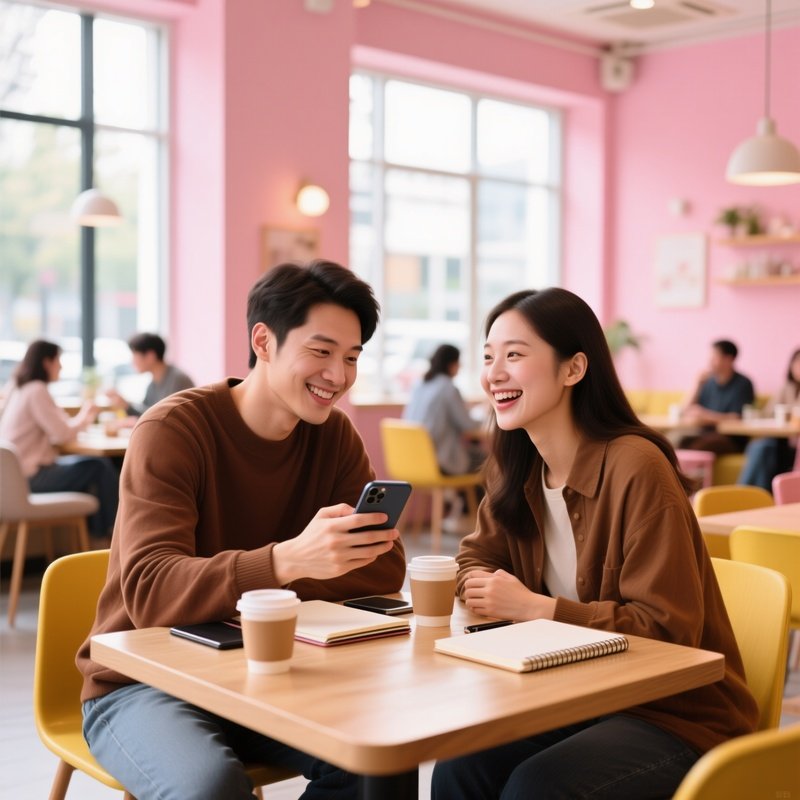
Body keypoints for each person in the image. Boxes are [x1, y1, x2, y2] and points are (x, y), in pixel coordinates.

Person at [76, 260, 406, 799]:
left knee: (380, 759)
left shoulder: (334, 436)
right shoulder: (173, 430)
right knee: (209, 786)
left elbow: (382, 568)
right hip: (143, 684)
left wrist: (259, 583)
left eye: (351, 358)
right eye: (321, 352)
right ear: (264, 341)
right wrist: (285, 563)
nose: (339, 376)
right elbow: (151, 593)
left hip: (269, 673)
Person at [430, 288, 757, 800]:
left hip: (678, 715)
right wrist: (481, 584)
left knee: (538, 787)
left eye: (514, 354)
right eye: (489, 356)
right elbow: (476, 557)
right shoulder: (516, 465)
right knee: (457, 767)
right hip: (576, 695)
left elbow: (668, 631)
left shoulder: (636, 467)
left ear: (573, 369)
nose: (493, 373)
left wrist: (536, 608)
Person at [0, 340, 119, 541]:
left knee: (92, 468)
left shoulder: (17, 388)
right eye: (59, 360)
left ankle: (102, 535)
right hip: (32, 477)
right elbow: (63, 434)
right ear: (47, 362)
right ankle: (112, 535)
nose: (61, 366)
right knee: (99, 467)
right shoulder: (37, 390)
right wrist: (86, 414)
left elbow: (57, 428)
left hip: (13, 481)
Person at [403, 343, 485, 475]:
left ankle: (453, 495)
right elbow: (468, 426)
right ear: (452, 364)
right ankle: (460, 495)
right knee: (486, 460)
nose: (460, 366)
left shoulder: (419, 385)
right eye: (459, 363)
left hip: (412, 460)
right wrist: (485, 418)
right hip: (438, 462)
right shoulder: (448, 388)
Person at [738, 347, 800, 490]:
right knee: (760, 447)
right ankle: (752, 495)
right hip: (780, 442)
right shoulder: (787, 388)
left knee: (762, 448)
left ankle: (744, 493)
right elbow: (767, 414)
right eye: (796, 362)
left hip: (795, 446)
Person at [678, 339, 755, 454]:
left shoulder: (743, 384)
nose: (710, 362)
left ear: (729, 359)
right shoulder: (708, 382)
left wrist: (705, 416)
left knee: (696, 448)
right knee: (678, 442)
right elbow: (684, 411)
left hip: (731, 438)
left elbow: (737, 417)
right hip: (705, 434)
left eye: (714, 357)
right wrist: (697, 385)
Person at [105, 332, 194, 419]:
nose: (132, 361)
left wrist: (127, 406)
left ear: (150, 356)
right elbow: (146, 414)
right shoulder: (153, 383)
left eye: (135, 355)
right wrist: (125, 405)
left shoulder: (178, 380)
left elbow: (164, 418)